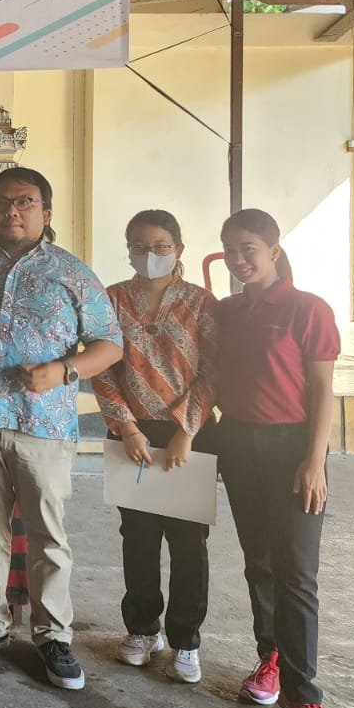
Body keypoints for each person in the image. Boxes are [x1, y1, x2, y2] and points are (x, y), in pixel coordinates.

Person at [0, 166, 121, 691]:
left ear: (46, 212)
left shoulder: (71, 272)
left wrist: (64, 371)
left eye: (25, 202)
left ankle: (53, 634)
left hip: (43, 425)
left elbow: (110, 343)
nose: (12, 210)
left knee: (47, 534)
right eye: (2, 202)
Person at [215, 209, 347, 708]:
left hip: (292, 450)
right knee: (260, 562)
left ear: (273, 250)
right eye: (230, 250)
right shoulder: (225, 311)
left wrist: (314, 460)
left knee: (297, 571)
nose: (238, 259)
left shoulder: (307, 310)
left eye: (248, 249)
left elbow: (322, 391)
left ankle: (303, 694)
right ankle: (269, 658)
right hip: (237, 445)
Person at [92, 209, 218, 684]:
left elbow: (214, 371)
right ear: (128, 250)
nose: (150, 255)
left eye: (161, 247)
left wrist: (187, 429)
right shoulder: (111, 299)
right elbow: (102, 367)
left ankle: (186, 639)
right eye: (140, 247)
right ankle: (142, 629)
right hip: (132, 433)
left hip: (189, 433)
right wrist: (126, 427)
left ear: (178, 249)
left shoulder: (201, 303)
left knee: (189, 542)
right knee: (138, 537)